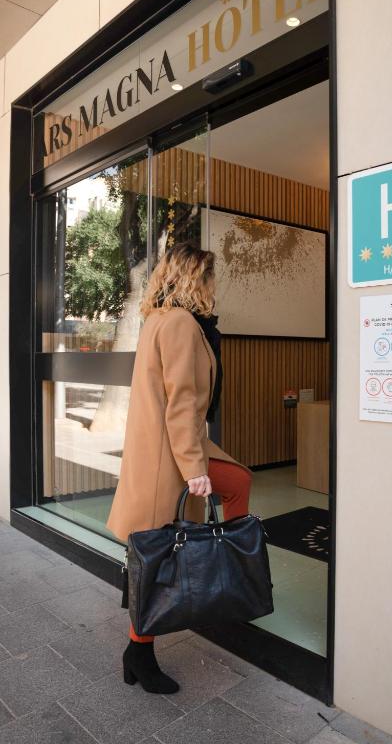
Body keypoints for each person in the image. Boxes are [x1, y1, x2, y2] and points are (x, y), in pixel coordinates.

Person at [106, 241, 252, 694]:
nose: (213, 284)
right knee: (157, 556)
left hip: (162, 449)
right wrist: (193, 468)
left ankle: (229, 574)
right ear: (195, 278)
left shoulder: (159, 319)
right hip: (168, 456)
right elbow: (181, 402)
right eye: (209, 276)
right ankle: (139, 652)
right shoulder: (181, 324)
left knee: (235, 484)